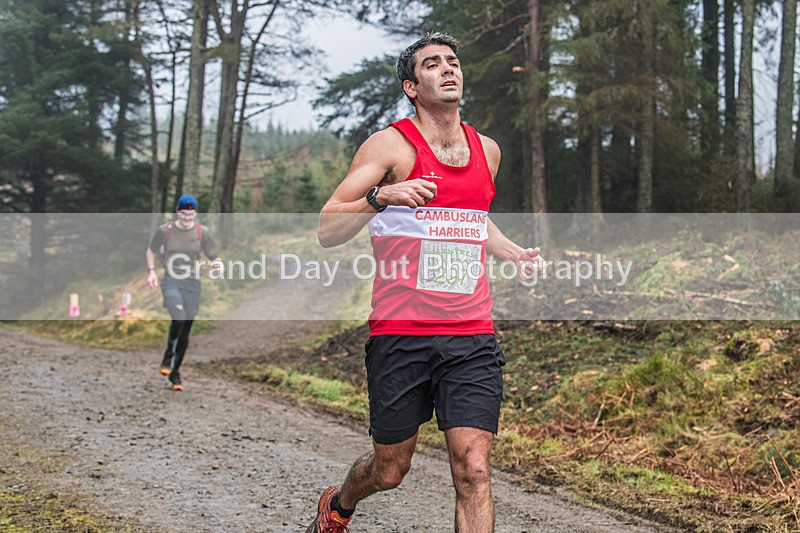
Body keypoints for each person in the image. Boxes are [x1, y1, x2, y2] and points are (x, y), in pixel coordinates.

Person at [307, 32, 542, 532]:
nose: (447, 69)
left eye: (453, 61)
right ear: (412, 86)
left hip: (471, 334)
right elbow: (328, 228)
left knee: (473, 471)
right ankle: (339, 504)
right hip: (401, 333)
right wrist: (381, 197)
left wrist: (512, 252)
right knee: (390, 470)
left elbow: (471, 219)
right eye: (432, 64)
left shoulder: (488, 150)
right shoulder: (389, 145)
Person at [145, 194, 223, 391]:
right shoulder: (166, 231)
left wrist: (218, 264)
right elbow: (150, 250)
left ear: (195, 213)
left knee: (186, 327)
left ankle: (176, 372)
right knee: (178, 318)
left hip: (192, 283)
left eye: (190, 214)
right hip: (171, 280)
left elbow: (213, 254)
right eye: (183, 214)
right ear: (178, 212)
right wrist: (152, 272)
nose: (187, 218)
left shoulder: (201, 232)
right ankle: (169, 352)